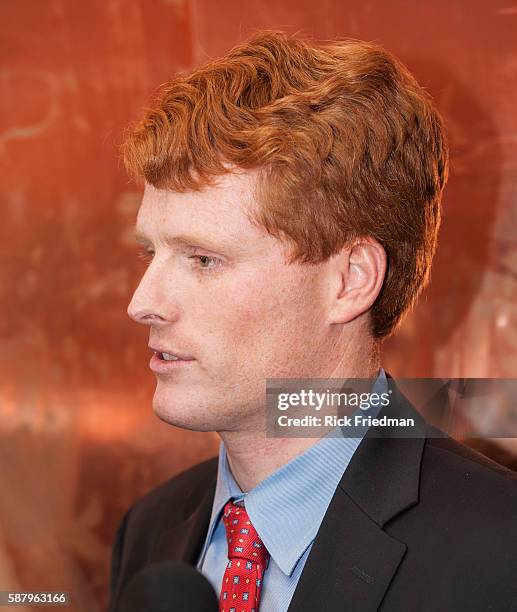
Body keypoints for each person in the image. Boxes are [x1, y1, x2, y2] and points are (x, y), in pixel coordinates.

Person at [109, 31, 517, 611]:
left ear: (349, 280)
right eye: (151, 254)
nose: (142, 302)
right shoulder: (151, 531)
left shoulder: (499, 553)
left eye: (203, 260)